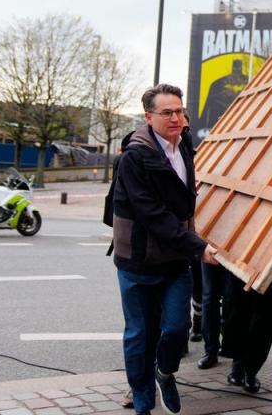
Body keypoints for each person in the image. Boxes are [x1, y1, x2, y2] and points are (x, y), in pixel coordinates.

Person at [112, 83, 218, 415]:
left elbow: (184, 201)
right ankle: (143, 403)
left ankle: (165, 371)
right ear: (149, 116)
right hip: (138, 260)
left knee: (176, 328)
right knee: (140, 335)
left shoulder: (184, 144)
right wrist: (197, 246)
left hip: (174, 259)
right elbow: (152, 214)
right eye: (167, 113)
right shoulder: (134, 157)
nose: (176, 118)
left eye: (180, 111)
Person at [222, 256, 272, 393]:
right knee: (238, 306)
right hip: (245, 252)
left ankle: (251, 370)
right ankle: (239, 363)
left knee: (265, 312)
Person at [197, 260, 232, 370]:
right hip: (211, 246)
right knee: (209, 296)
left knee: (231, 295)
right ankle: (211, 350)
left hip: (237, 248)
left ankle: (230, 345)